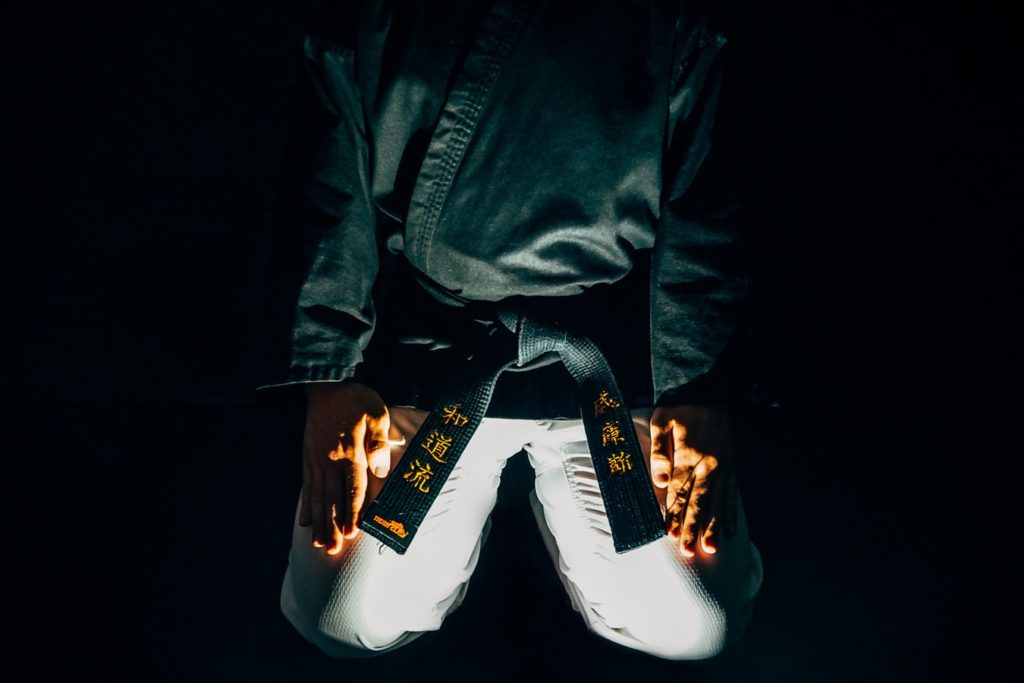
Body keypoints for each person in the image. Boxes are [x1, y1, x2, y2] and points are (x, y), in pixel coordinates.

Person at [257, 0, 763, 661]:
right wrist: (332, 380)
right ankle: (476, 522)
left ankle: (559, 492)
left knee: (702, 616)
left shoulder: (671, 20)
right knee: (341, 607)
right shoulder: (372, 16)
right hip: (438, 358)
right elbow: (326, 189)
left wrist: (700, 386)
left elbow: (709, 200)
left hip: (611, 366)